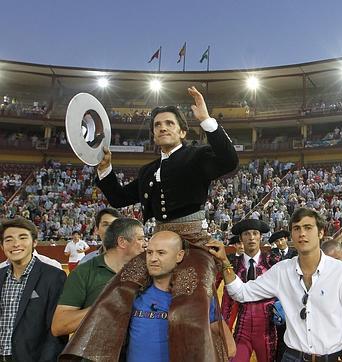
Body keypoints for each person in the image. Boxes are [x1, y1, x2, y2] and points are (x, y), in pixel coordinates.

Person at [62, 87, 238, 361]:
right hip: (156, 243)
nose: (163, 128)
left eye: (170, 123)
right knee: (120, 287)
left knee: (193, 298)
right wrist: (104, 168)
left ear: (182, 132)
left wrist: (206, 120)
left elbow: (229, 160)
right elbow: (119, 199)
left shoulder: (197, 155)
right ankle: (92, 354)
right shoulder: (147, 171)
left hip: (193, 243)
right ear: (154, 134)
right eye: (158, 125)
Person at [209, 208, 342, 362]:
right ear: (292, 235)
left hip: (334, 356)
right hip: (292, 356)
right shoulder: (281, 271)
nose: (302, 234)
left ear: (321, 232)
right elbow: (241, 293)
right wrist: (224, 261)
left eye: (308, 228)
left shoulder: (341, 272)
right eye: (297, 229)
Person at [127, 231, 231, 361]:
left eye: (161, 253)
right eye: (149, 252)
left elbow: (230, 347)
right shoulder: (132, 293)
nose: (153, 258)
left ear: (179, 256)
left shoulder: (198, 299)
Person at [52, 218, 145, 337]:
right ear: (122, 242)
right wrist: (104, 306)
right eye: (140, 239)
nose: (145, 243)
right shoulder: (84, 272)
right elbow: (60, 325)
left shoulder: (147, 271)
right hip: (97, 353)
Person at [0, 217, 67, 361]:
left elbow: (55, 332)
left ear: (34, 242)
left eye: (22, 237)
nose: (15, 244)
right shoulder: (0, 275)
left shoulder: (54, 276)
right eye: (8, 240)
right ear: (2, 246)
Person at [220, 219, 280, 362]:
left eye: (255, 233)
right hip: (242, 328)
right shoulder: (233, 264)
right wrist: (224, 330)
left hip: (267, 329)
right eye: (247, 234)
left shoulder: (273, 261)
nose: (251, 237)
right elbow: (227, 300)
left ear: (260, 237)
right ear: (241, 239)